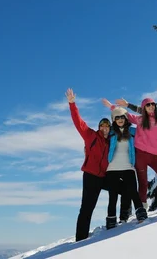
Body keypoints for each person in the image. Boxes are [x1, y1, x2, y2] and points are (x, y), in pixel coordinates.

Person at [103, 97, 157, 213]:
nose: (151, 107)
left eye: (152, 104)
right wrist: (111, 106)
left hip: (155, 155)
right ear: (144, 108)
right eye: (148, 105)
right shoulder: (140, 119)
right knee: (143, 182)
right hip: (141, 155)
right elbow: (124, 115)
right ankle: (142, 207)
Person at [66, 88, 110, 242]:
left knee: (123, 188)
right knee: (87, 208)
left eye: (107, 126)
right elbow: (78, 122)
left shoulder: (111, 141)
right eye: (102, 125)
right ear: (99, 127)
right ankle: (80, 239)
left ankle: (118, 221)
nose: (105, 128)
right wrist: (72, 104)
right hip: (91, 176)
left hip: (104, 177)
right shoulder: (91, 135)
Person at [105, 106, 148, 229]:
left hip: (128, 166)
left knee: (133, 192)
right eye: (117, 117)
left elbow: (146, 130)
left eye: (122, 117)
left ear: (126, 118)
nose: (119, 119)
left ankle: (140, 214)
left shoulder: (133, 131)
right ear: (113, 119)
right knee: (112, 196)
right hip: (112, 168)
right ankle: (111, 220)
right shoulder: (111, 132)